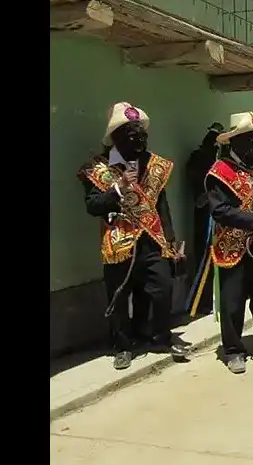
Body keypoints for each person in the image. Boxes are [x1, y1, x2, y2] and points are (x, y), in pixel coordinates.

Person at [78, 102, 190, 370]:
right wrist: (117, 189)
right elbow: (93, 206)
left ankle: (156, 336)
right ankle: (123, 347)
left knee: (161, 287)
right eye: (132, 135)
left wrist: (171, 238)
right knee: (119, 296)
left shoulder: (154, 164)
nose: (139, 140)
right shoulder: (97, 169)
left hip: (152, 239)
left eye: (142, 134)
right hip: (119, 241)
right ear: (116, 138)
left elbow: (161, 204)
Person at [203, 112, 253, 374]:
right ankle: (234, 350)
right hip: (231, 246)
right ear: (235, 142)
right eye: (251, 140)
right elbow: (220, 210)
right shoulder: (219, 172)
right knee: (233, 301)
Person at [185, 122, 224, 316]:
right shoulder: (199, 158)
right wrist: (202, 195)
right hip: (206, 214)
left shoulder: (221, 159)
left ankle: (213, 300)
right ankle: (202, 301)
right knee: (204, 255)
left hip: (220, 212)